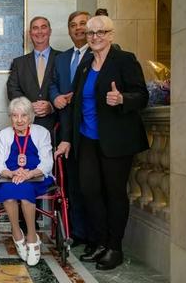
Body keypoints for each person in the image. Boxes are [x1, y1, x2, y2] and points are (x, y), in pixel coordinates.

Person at [55, 15, 149, 270]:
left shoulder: (124, 60)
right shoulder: (86, 63)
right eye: (90, 33)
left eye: (100, 32)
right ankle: (98, 242)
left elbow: (142, 95)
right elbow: (75, 105)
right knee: (89, 192)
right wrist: (66, 139)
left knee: (114, 194)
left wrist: (122, 100)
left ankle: (114, 247)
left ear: (111, 34)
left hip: (116, 141)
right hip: (87, 139)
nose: (95, 37)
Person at [0, 96, 54, 266]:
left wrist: (30, 174)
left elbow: (48, 162)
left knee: (26, 192)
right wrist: (11, 174)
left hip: (36, 177)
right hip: (11, 176)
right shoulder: (4, 135)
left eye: (23, 116)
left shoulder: (42, 132)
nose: (19, 120)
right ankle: (17, 233)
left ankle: (32, 237)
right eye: (15, 116)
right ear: (10, 117)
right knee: (8, 193)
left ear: (30, 117)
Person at [49, 11, 92, 248]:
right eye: (73, 25)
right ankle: (77, 232)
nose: (78, 29)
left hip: (89, 130)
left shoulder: (98, 55)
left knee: (90, 186)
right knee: (72, 185)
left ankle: (94, 236)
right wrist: (55, 98)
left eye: (83, 24)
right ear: (68, 30)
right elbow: (53, 84)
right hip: (66, 129)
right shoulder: (63, 58)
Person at [7, 16, 61, 132]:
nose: (40, 31)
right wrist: (28, 107)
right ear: (30, 33)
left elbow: (67, 90)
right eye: (35, 28)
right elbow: (12, 89)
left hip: (57, 125)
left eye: (43, 27)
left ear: (50, 31)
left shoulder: (62, 58)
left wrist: (51, 106)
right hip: (26, 126)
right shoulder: (19, 63)